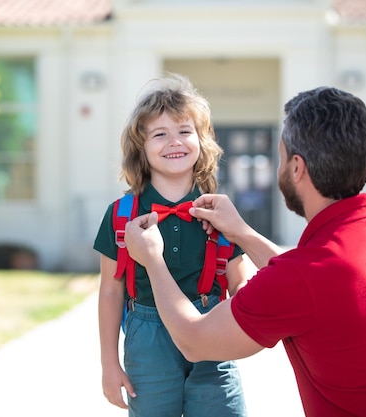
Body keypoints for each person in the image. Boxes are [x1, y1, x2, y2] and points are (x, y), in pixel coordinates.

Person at [124, 87, 366, 416]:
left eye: (279, 158)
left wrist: (152, 259)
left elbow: (194, 341)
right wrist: (241, 232)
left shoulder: (302, 279)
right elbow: (314, 282)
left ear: (296, 167)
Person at [93, 73, 252, 417]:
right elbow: (110, 291)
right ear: (141, 148)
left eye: (184, 131)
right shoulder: (122, 215)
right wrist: (109, 363)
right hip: (148, 340)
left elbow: (239, 280)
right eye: (159, 134)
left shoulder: (217, 210)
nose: (174, 142)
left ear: (201, 140)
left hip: (213, 330)